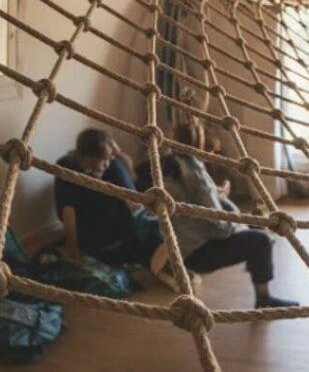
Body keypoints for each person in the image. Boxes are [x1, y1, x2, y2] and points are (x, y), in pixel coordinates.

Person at [160, 123, 296, 309]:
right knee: (260, 240)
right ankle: (264, 298)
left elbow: (195, 199)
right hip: (199, 252)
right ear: (199, 144)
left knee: (255, 230)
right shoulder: (195, 172)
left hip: (183, 248)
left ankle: (261, 285)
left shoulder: (172, 164)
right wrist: (239, 225)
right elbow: (218, 225)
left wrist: (217, 195)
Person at [54, 128, 161, 268]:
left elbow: (132, 177)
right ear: (89, 157)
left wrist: (115, 150)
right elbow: (68, 214)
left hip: (124, 231)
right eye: (104, 159)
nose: (107, 163)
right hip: (103, 242)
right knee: (151, 252)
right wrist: (73, 254)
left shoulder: (111, 164)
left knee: (159, 240)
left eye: (109, 157)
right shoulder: (67, 169)